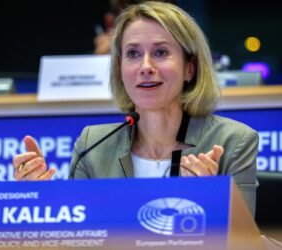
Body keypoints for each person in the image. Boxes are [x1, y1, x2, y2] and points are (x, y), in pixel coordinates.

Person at [13, 1, 259, 216]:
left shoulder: (233, 142)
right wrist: (39, 198)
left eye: (161, 52)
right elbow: (78, 237)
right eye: (132, 53)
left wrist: (212, 201)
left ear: (190, 68)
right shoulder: (93, 145)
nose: (145, 66)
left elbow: (245, 242)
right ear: (120, 69)